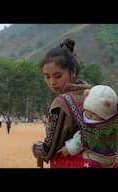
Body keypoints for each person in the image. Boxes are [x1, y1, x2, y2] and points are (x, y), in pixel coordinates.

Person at [32, 38, 92, 168]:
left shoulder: (62, 103)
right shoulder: (94, 93)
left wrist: (36, 147)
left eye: (58, 76)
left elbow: (49, 150)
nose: (52, 82)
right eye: (47, 76)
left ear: (73, 72)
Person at [57, 85, 118, 168]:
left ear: (105, 115)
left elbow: (80, 141)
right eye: (87, 111)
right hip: (112, 157)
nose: (89, 115)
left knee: (83, 156)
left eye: (93, 114)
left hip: (95, 159)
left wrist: (67, 149)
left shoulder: (93, 128)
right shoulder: (111, 125)